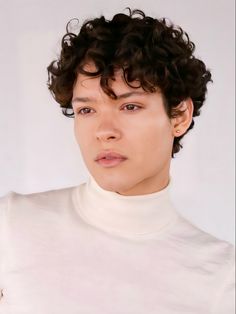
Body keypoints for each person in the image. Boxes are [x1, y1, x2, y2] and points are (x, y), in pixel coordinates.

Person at [0, 8, 235, 314]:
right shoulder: (11, 226)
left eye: (130, 106)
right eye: (86, 110)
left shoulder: (222, 277)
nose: (104, 131)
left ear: (179, 116)